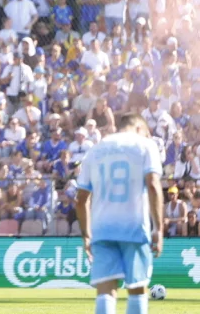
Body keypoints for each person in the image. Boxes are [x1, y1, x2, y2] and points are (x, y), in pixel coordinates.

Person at [75, 113, 163, 314]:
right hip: (134, 228)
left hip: (102, 230)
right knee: (137, 288)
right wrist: (159, 228)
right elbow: (153, 185)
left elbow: (80, 200)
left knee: (105, 291)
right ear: (140, 128)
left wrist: (86, 235)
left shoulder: (95, 151)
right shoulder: (145, 145)